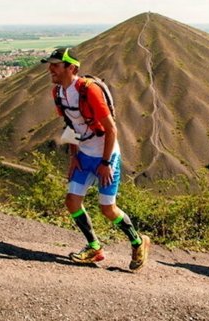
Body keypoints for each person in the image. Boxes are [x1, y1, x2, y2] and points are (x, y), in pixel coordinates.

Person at [41, 47, 150, 271]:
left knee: (107, 209)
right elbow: (72, 125)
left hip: (105, 155)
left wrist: (105, 163)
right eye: (50, 64)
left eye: (55, 65)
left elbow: (112, 130)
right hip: (83, 154)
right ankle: (94, 247)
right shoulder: (58, 93)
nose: (51, 69)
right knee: (72, 202)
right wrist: (73, 156)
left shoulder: (88, 90)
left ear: (71, 68)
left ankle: (139, 242)